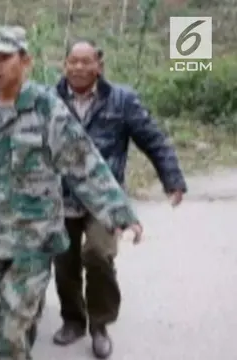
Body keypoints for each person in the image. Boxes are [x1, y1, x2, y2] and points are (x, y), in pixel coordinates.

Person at [0, 26, 144, 360]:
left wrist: (121, 213)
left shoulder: (48, 110)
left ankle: (11, 341)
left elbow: (85, 164)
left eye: (5, 57)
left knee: (11, 332)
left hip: (33, 239)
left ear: (25, 61)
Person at [51, 39, 187, 359]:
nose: (80, 68)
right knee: (64, 261)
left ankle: (100, 324)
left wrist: (172, 179)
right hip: (62, 195)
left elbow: (152, 139)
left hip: (104, 199)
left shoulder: (122, 100)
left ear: (100, 65)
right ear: (64, 65)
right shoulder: (49, 100)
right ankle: (73, 319)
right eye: (74, 61)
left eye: (87, 61)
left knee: (98, 255)